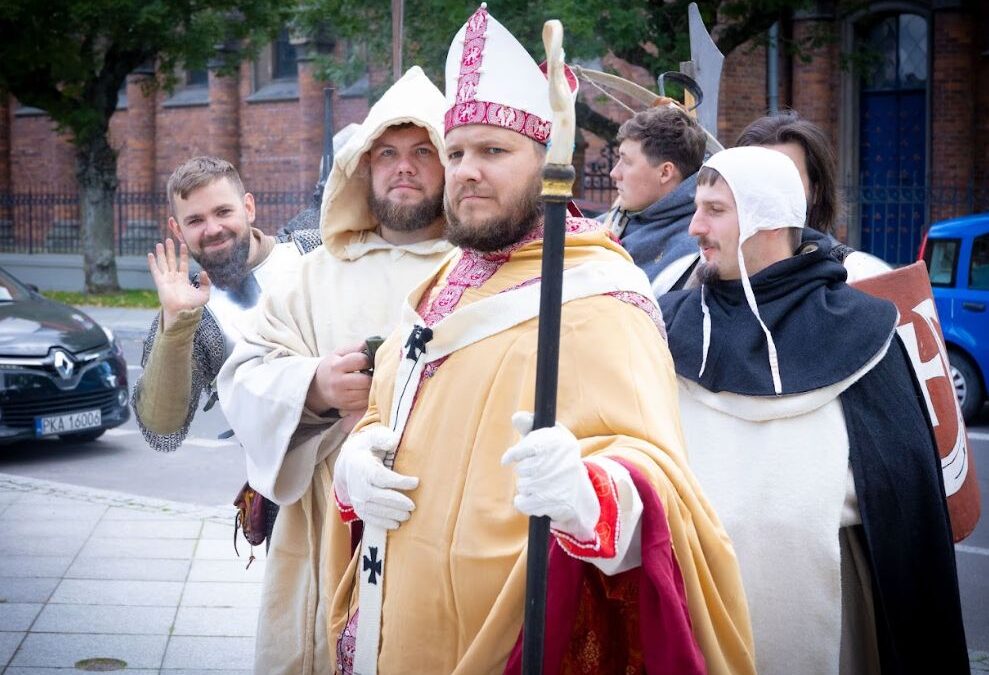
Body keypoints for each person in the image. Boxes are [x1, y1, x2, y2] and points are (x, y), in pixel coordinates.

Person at [327, 7, 755, 674]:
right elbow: (388, 412)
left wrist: (587, 490)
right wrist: (356, 461)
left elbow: (657, 472)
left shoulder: (598, 294)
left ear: (549, 161)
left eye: (493, 151)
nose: (466, 170)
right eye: (457, 152)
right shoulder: (444, 282)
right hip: (395, 605)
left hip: (512, 631)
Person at [659, 146, 968, 674]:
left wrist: (797, 501)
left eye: (714, 210)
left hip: (827, 585)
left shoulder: (863, 327)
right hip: (692, 587)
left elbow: (901, 478)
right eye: (697, 207)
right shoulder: (671, 320)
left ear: (768, 219)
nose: (694, 227)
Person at [215, 66, 453, 674]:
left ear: (451, 163)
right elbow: (243, 377)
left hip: (444, 517)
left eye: (424, 151)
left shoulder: (480, 268)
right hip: (326, 521)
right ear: (363, 169)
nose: (405, 167)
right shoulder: (316, 273)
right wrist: (315, 387)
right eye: (388, 154)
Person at [132, 157, 321, 451]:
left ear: (248, 208)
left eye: (223, 211)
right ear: (178, 230)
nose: (213, 229)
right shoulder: (195, 311)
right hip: (278, 485)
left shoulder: (313, 251)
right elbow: (162, 430)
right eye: (195, 220)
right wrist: (176, 325)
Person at [734, 111, 890, 281]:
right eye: (753, 178)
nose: (766, 193)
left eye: (784, 178)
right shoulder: (706, 273)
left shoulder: (863, 276)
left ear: (816, 191)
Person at [603, 105, 708, 294]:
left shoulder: (698, 248)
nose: (614, 173)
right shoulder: (611, 220)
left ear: (665, 173)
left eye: (626, 162)